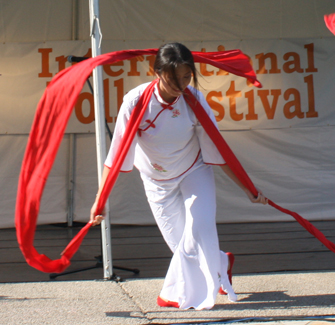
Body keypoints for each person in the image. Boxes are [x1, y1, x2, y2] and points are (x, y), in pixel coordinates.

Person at [90, 43, 268, 310]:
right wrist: (100, 199)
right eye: (174, 78)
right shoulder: (136, 102)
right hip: (156, 180)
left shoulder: (195, 101)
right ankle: (222, 262)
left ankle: (177, 294)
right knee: (182, 249)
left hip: (194, 171)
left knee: (197, 230)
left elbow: (219, 149)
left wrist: (249, 189)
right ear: (157, 72)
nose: (181, 84)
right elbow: (115, 155)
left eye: (187, 77)